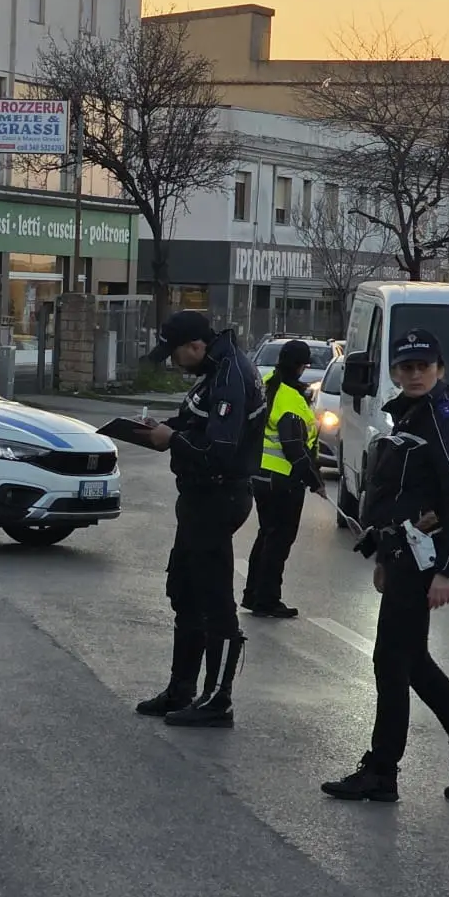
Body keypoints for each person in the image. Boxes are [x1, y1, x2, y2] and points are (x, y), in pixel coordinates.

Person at [322, 328, 449, 803]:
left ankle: (382, 772)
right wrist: (383, 556)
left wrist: (447, 570)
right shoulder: (410, 416)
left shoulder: (444, 422)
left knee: (392, 664)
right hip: (402, 557)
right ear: (395, 373)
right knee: (414, 664)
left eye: (423, 367)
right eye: (406, 368)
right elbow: (395, 495)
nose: (415, 374)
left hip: (423, 563)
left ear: (440, 370)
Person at [134, 310, 267, 728]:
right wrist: (165, 428)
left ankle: (217, 700)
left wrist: (171, 438)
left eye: (175, 355)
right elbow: (200, 423)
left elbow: (220, 449)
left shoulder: (230, 376)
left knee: (214, 601)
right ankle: (182, 689)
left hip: (218, 496)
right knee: (185, 592)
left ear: (196, 346)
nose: (173, 363)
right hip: (198, 497)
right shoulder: (215, 370)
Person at [242, 339, 329, 619]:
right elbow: (294, 448)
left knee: (266, 534)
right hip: (283, 480)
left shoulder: (267, 384)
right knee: (279, 540)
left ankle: (253, 594)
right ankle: (267, 599)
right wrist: (315, 481)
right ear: (302, 367)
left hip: (259, 475)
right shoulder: (291, 399)